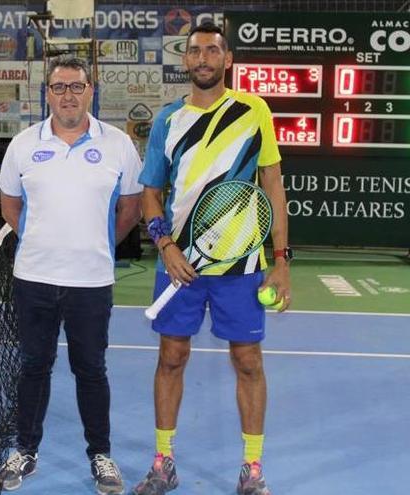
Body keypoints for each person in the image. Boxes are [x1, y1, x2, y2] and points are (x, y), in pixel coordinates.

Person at [132, 23, 291, 495]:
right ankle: (163, 462)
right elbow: (151, 193)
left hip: (240, 265)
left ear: (227, 59)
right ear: (185, 61)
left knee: (247, 361)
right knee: (172, 357)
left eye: (212, 51)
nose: (202, 58)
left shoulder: (253, 111)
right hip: (178, 264)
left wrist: (280, 260)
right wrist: (165, 245)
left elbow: (273, 184)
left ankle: (253, 468)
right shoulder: (166, 120)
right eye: (194, 51)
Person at [0, 56, 143, 494]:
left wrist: (93, 245)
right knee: (33, 367)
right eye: (59, 87)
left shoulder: (117, 145)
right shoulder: (23, 145)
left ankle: (101, 455)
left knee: (91, 370)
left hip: (92, 283)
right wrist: (43, 242)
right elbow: (10, 207)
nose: (68, 95)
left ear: (90, 90)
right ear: (48, 94)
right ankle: (25, 450)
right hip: (34, 279)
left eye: (76, 86)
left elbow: (130, 210)